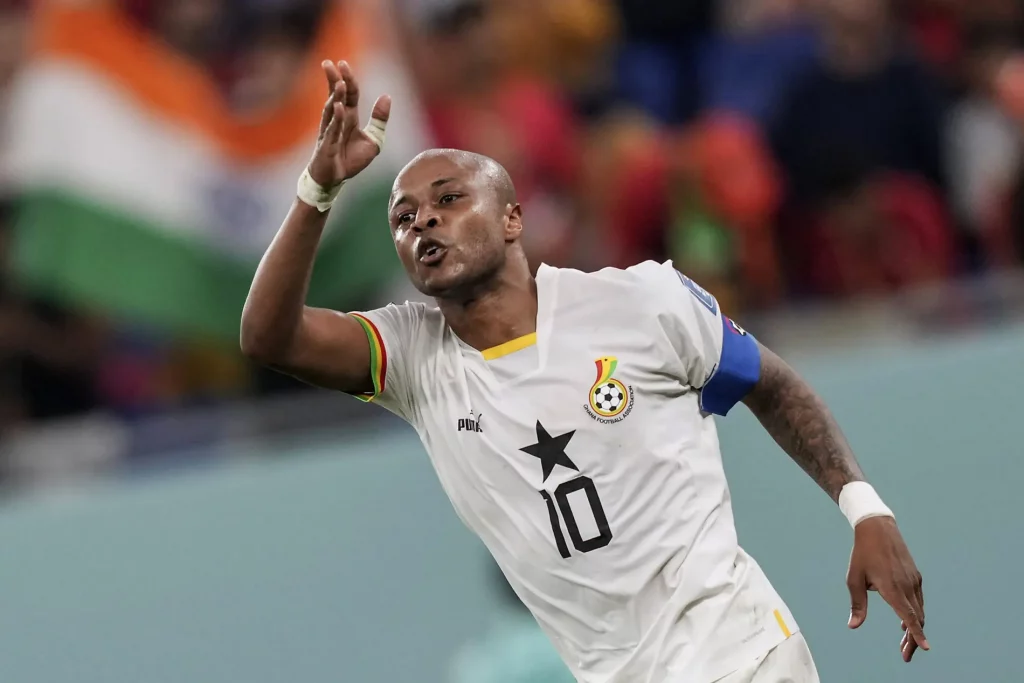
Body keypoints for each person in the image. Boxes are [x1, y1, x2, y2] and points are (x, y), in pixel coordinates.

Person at [241, 60, 929, 683]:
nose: (424, 222)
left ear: (512, 219)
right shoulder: (414, 358)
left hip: (741, 655)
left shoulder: (641, 301)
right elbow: (268, 336)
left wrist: (864, 508)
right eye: (404, 217)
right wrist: (318, 189)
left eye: (449, 199)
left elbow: (771, 384)